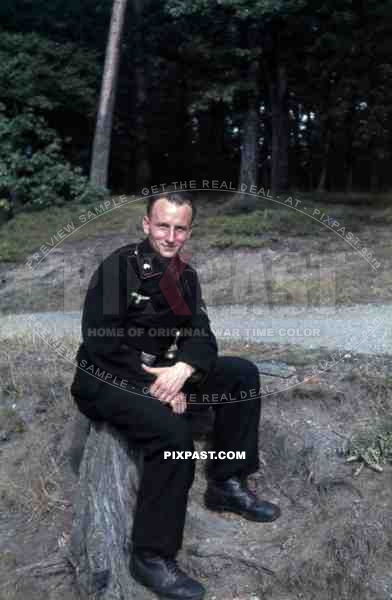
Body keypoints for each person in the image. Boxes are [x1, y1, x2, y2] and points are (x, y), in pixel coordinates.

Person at [70, 188, 281, 600]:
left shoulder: (184, 277)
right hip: (109, 376)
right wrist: (157, 387)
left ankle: (227, 483)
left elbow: (201, 335)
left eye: (179, 229)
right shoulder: (119, 268)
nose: (170, 236)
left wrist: (184, 370)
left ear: (189, 231)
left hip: (166, 371)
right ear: (146, 224)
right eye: (162, 225)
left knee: (241, 374)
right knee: (173, 436)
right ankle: (151, 555)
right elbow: (101, 343)